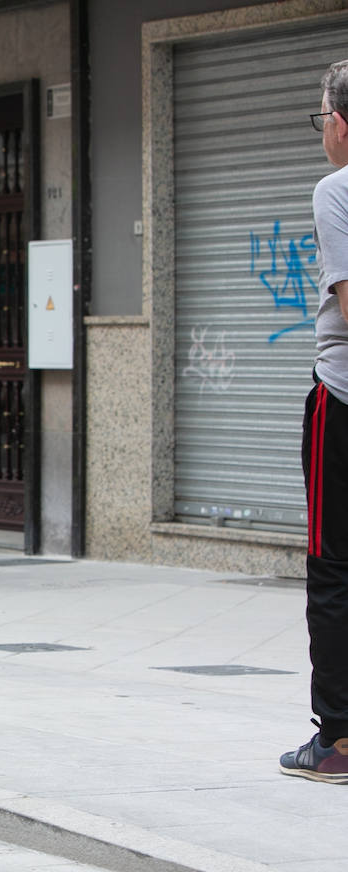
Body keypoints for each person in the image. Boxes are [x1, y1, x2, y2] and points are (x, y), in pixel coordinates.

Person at [280, 61, 348, 784]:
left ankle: (339, 741)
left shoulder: (338, 188)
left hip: (344, 397)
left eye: (320, 117)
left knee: (333, 568)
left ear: (340, 122)